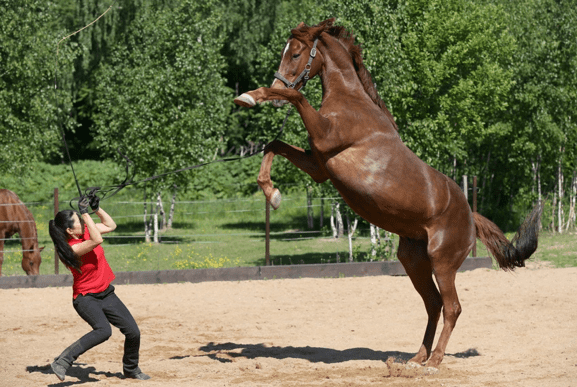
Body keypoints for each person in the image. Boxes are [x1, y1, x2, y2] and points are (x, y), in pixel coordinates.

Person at [48, 194, 150, 381]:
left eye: (81, 217)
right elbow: (97, 240)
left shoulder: (86, 231)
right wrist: (86, 214)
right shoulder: (71, 248)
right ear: (70, 230)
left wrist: (96, 209)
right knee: (103, 330)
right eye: (78, 220)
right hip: (86, 298)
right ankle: (62, 361)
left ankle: (131, 369)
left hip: (106, 293)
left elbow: (111, 226)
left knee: (133, 332)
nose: (82, 220)